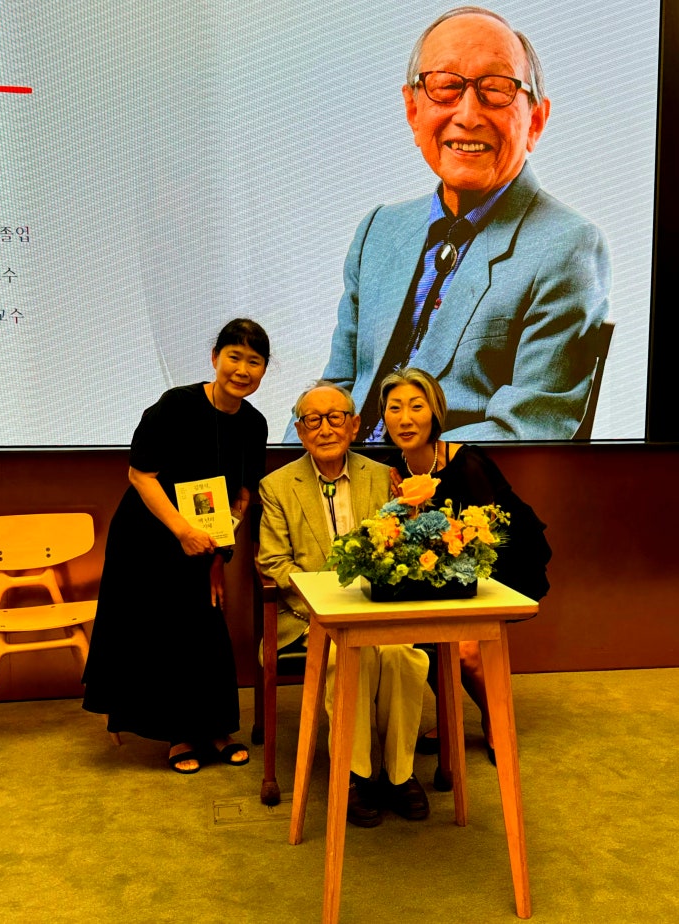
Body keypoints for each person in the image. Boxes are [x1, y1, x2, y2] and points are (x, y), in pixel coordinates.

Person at [294, 6, 611, 443]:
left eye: (496, 90)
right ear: (413, 110)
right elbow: (336, 390)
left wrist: (395, 479)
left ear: (535, 121)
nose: (468, 115)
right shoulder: (378, 231)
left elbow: (528, 431)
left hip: (447, 483)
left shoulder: (566, 246)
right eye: (445, 87)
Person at [82, 318, 270, 774]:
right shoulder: (176, 405)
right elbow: (140, 475)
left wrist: (219, 552)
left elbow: (242, 495)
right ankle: (178, 736)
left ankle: (218, 728)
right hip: (148, 536)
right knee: (162, 632)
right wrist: (182, 531)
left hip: (205, 541)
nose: (242, 370)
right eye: (234, 357)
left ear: (264, 369)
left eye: (254, 361)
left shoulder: (254, 424)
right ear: (215, 358)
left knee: (207, 631)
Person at [258, 381, 431, 826]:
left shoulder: (382, 475)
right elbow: (272, 562)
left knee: (402, 655)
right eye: (313, 420)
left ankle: (399, 773)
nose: (325, 428)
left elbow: (402, 546)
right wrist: (327, 597)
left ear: (353, 426)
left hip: (378, 610)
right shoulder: (277, 486)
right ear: (300, 431)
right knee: (349, 657)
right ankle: (356, 774)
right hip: (310, 617)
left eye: (335, 418)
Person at [379, 366, 551, 770]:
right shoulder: (390, 468)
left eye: (416, 407)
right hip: (435, 572)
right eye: (394, 408)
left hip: (497, 564)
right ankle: (450, 717)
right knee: (416, 635)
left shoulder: (467, 462)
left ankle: (496, 721)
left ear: (435, 412)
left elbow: (490, 538)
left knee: (466, 650)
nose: (405, 419)